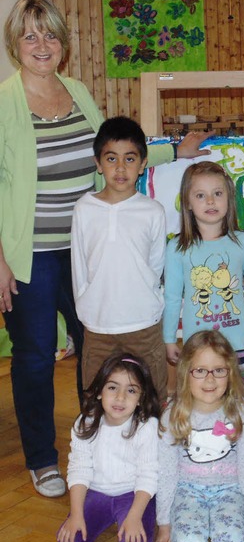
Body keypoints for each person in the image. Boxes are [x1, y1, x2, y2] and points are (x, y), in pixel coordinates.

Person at [0, 0, 209, 497]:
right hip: (28, 253)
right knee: (33, 356)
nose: (41, 45)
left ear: (63, 44)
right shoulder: (4, 103)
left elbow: (111, 151)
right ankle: (45, 459)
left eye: (49, 34)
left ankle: (101, 447)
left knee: (96, 353)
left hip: (89, 249)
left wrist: (172, 151)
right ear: (15, 45)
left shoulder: (75, 92)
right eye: (30, 36)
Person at [151, 330, 244, 542]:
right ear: (186, 373)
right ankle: (199, 526)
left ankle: (217, 524)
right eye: (200, 371)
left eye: (219, 370)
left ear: (230, 373)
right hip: (187, 490)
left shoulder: (241, 413)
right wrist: (164, 525)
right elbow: (167, 474)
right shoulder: (173, 415)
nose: (210, 379)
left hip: (230, 489)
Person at [71, 116, 168, 399]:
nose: (121, 168)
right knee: (96, 400)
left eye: (129, 158)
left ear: (142, 163)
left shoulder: (153, 211)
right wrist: (87, 307)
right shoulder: (84, 209)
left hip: (143, 325)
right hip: (98, 326)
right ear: (98, 163)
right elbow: (79, 266)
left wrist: (150, 305)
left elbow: (156, 265)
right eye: (111, 159)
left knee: (151, 399)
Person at [163, 161, 244, 383]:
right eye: (200, 195)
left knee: (237, 398)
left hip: (237, 342)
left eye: (217, 193)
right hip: (197, 346)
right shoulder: (177, 248)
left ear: (229, 199)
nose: (210, 201)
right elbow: (172, 297)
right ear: (188, 203)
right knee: (201, 398)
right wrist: (169, 338)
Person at [56, 353, 162, 542]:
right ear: (98, 392)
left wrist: (134, 515)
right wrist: (76, 515)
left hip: (132, 494)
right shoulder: (84, 423)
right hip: (96, 493)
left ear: (141, 398)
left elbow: (149, 474)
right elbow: (79, 468)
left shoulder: (147, 427)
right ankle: (103, 515)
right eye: (112, 387)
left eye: (131, 390)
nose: (120, 397)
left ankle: (137, 514)